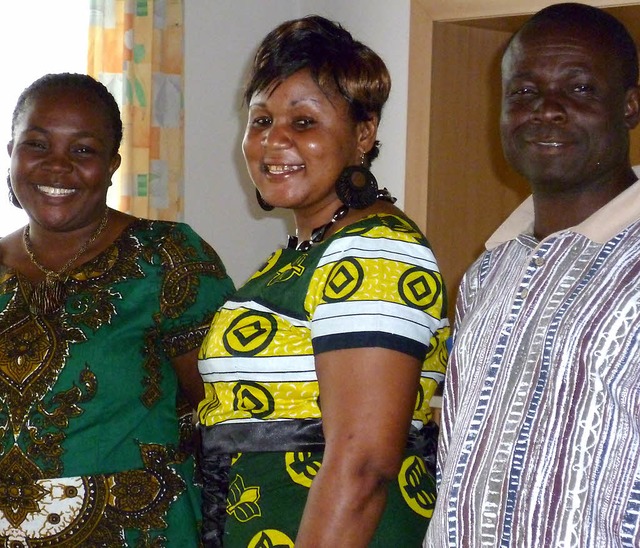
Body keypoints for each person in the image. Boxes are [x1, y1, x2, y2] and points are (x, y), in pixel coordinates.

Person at [196, 15, 449, 548]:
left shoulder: (376, 252)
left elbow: (361, 466)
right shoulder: (303, 252)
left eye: (303, 122)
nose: (274, 140)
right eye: (260, 120)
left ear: (363, 133)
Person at [425, 3, 640, 546]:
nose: (547, 110)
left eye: (580, 89)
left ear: (631, 106)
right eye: (523, 92)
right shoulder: (485, 275)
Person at [0, 73, 235, 546]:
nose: (57, 166)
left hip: (138, 529)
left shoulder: (167, 257)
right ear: (12, 154)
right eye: (37, 145)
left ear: (113, 164)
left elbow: (222, 411)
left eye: (83, 150)